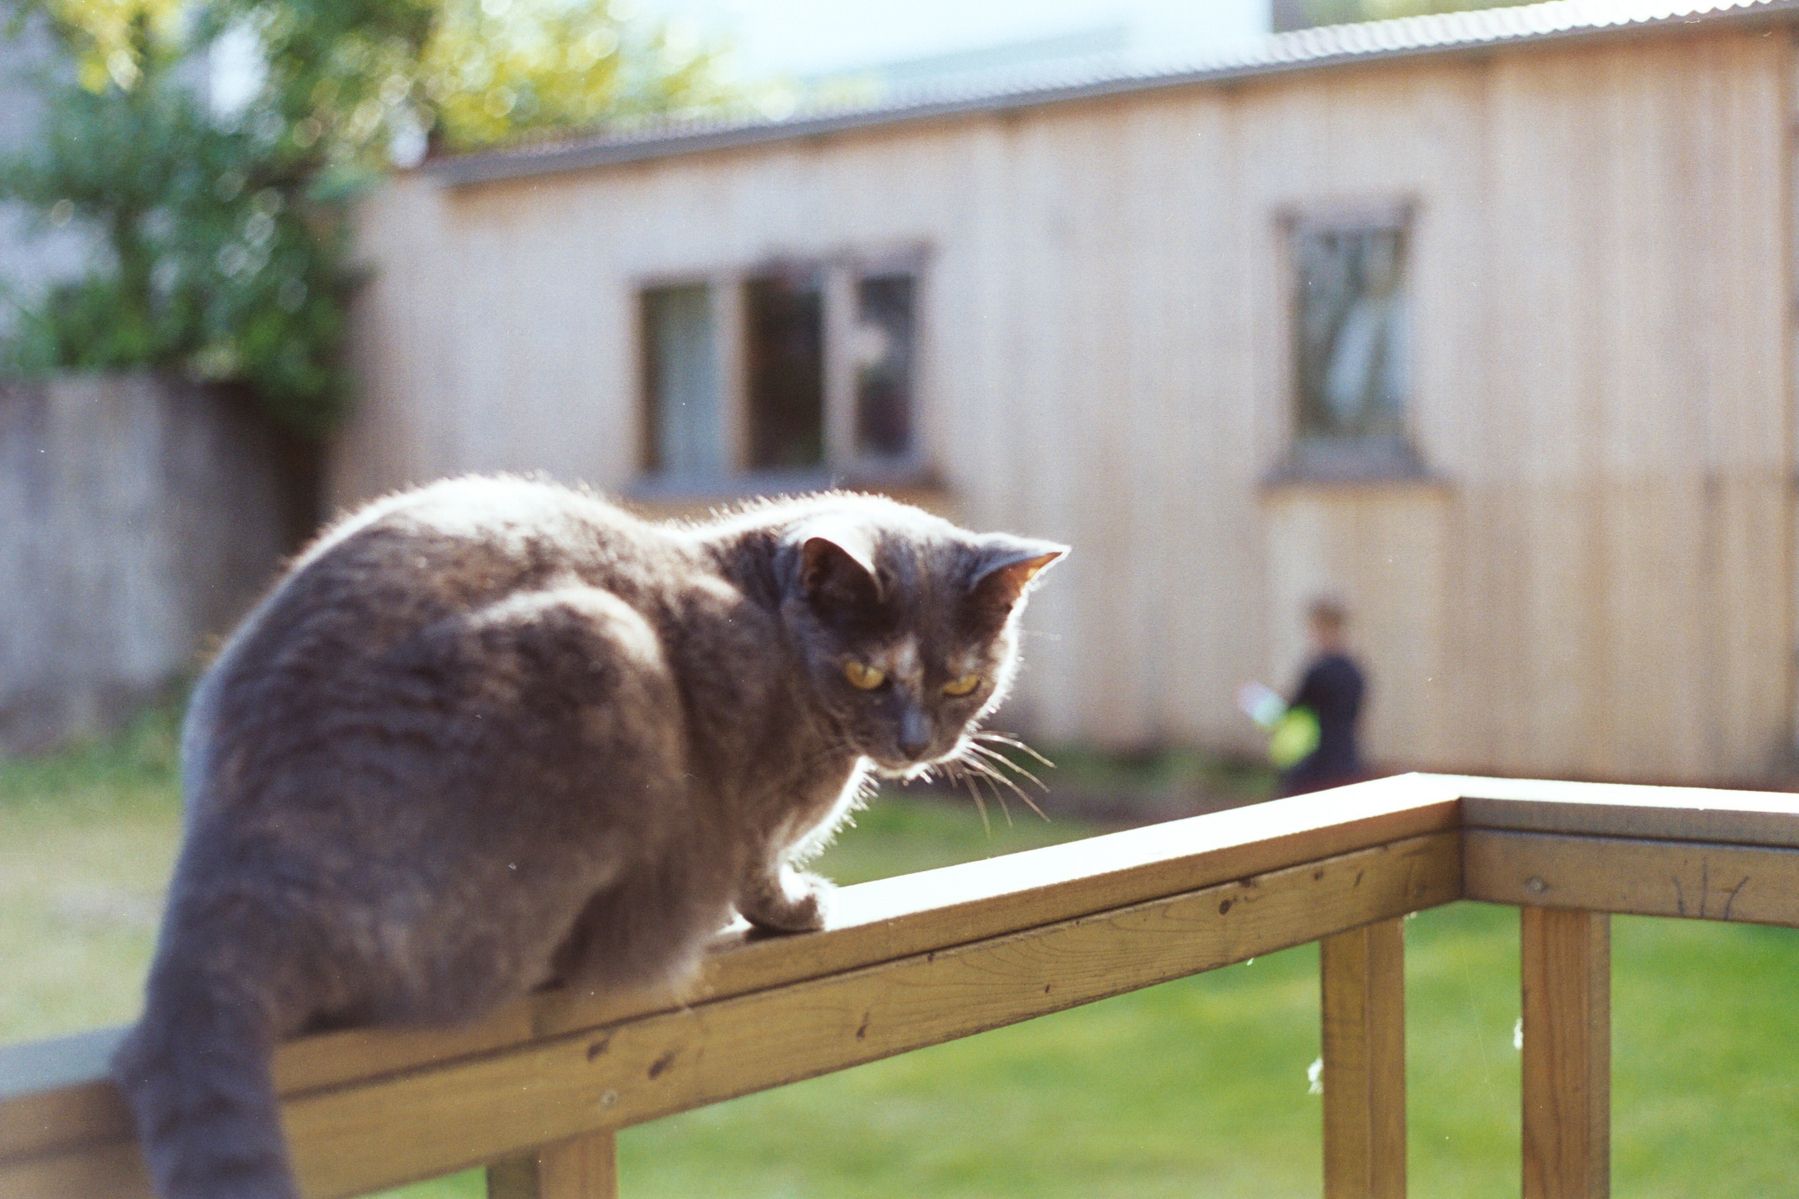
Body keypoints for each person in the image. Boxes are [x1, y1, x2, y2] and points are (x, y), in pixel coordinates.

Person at [1239, 598, 1369, 797]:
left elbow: (1282, 714)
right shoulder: (1355, 671)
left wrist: (1253, 701)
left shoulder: (1318, 672)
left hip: (1316, 768)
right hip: (1349, 762)